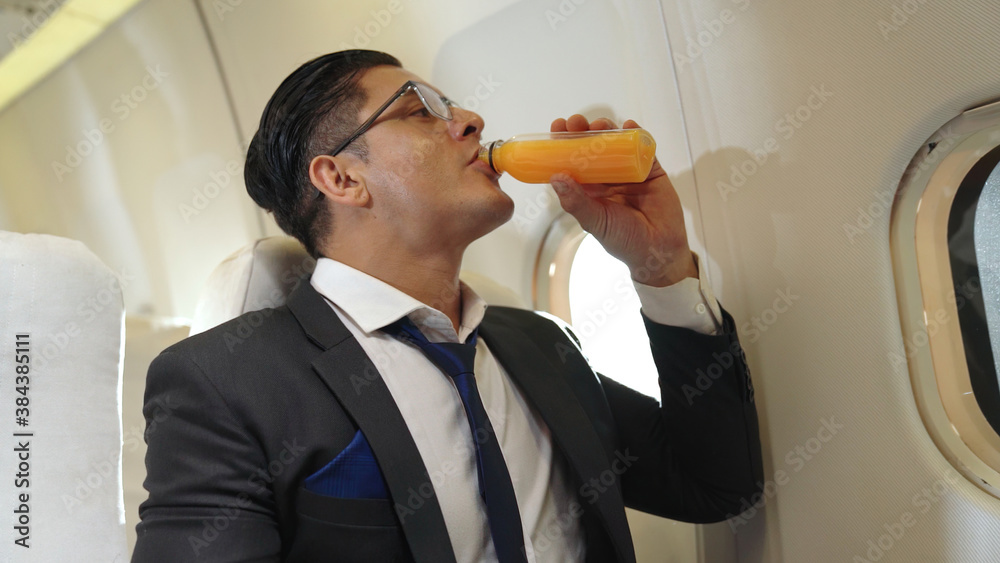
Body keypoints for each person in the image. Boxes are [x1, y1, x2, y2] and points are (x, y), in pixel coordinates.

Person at [133, 50, 763, 563]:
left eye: (453, 104)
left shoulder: (540, 345)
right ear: (343, 179)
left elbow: (713, 484)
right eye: (419, 110)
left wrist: (661, 268)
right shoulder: (226, 382)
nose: (469, 119)